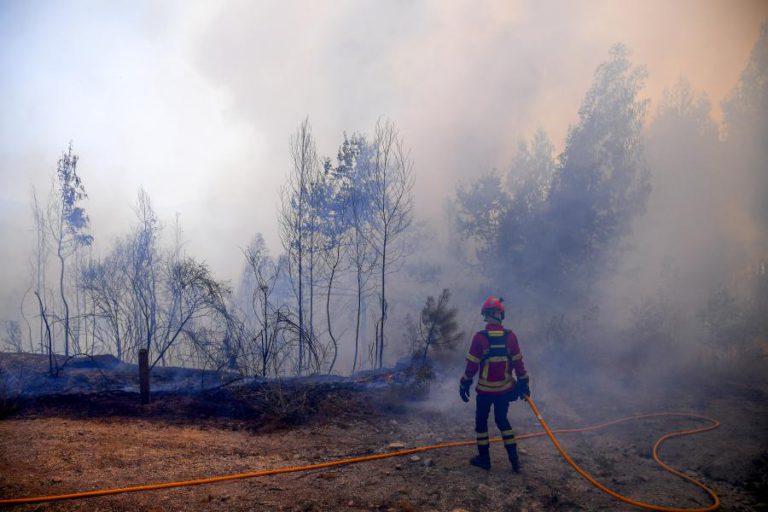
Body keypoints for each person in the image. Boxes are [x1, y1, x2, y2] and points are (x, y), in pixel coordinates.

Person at [459, 296, 530, 472]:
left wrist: (464, 383)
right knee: (502, 421)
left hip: (484, 392)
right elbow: (519, 364)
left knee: (481, 424)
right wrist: (524, 383)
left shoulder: (479, 338)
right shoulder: (510, 337)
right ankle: (515, 462)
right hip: (504, 391)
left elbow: (472, 366)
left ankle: (484, 460)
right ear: (501, 315)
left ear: (485, 315)